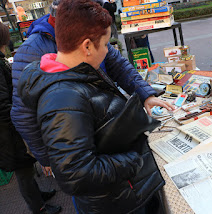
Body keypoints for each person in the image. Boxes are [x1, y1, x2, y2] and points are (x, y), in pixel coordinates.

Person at [18, 0, 166, 213]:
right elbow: (76, 174)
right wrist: (132, 160)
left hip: (121, 192)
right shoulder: (64, 99)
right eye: (106, 45)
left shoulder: (76, 73)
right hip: (113, 201)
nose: (108, 51)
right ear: (87, 46)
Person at [0, 22, 61, 214]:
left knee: (27, 165)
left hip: (12, 129)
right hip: (9, 133)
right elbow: (3, 105)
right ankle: (38, 208)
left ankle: (38, 195)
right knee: (23, 172)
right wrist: (22, 121)